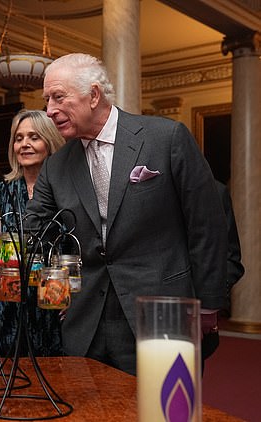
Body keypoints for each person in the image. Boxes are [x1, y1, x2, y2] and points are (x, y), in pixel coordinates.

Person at [22, 53, 228, 375]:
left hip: (164, 311)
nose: (49, 111)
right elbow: (29, 233)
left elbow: (207, 225)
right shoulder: (56, 166)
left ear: (93, 95)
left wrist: (210, 303)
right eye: (47, 100)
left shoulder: (166, 138)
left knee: (165, 410)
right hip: (86, 322)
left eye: (58, 97)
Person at [0, 110, 65, 357]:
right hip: (3, 314)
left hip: (54, 314)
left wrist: (81, 305)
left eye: (34, 137)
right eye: (19, 138)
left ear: (50, 142)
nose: (24, 144)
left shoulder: (68, 194)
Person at [202, 180, 245, 362]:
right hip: (139, 319)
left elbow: (231, 260)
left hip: (197, 328)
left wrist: (210, 298)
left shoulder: (215, 191)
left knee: (179, 390)